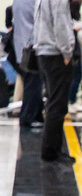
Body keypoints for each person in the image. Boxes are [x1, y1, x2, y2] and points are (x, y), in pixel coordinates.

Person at [32, 0, 75, 163]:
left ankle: (51, 149)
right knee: (57, 104)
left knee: (52, 102)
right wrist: (67, 53)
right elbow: (61, 25)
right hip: (56, 55)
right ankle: (51, 152)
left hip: (43, 53)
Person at [12, 0, 43, 129]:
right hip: (31, 48)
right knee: (33, 84)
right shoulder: (32, 3)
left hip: (21, 47)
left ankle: (35, 115)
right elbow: (39, 22)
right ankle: (28, 117)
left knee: (31, 83)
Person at [67, 0, 82, 115]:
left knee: (77, 75)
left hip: (75, 48)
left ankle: (72, 100)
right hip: (72, 49)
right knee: (75, 76)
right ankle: (70, 101)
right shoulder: (71, 8)